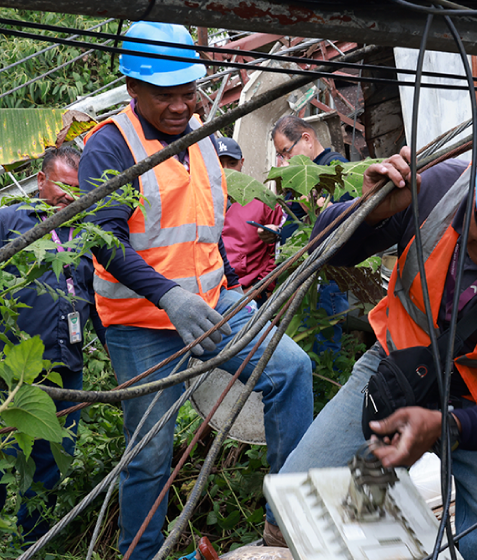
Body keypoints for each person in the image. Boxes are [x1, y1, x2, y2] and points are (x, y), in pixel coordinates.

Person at [265, 122, 477, 559]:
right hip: (395, 368)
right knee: (300, 494)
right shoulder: (432, 189)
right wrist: (369, 209)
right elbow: (327, 250)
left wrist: (448, 426)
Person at [76, 22, 312, 559]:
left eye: (188, 92)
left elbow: (208, 226)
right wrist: (168, 296)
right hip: (142, 323)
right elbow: (101, 240)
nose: (181, 106)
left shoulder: (204, 136)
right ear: (133, 89)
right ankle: (143, 554)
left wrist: (228, 284)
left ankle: (286, 524)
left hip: (211, 304)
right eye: (166, 96)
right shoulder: (111, 146)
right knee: (151, 452)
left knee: (290, 370)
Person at [0, 146, 105, 545]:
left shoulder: (88, 232)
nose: (69, 196)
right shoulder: (10, 221)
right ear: (40, 180)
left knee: (51, 461)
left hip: (66, 368)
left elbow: (98, 302)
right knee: (4, 456)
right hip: (13, 371)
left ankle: (32, 544)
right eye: (61, 185)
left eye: (77, 189)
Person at [269, 115, 350, 362]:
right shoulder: (298, 173)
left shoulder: (334, 166)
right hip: (303, 270)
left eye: (286, 152)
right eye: (280, 156)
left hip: (329, 271)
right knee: (302, 338)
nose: (284, 160)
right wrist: (275, 232)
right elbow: (294, 220)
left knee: (326, 337)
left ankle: (327, 392)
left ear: (306, 138)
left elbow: (344, 216)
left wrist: (308, 200)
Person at [218, 137, 284, 306]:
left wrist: (257, 289)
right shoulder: (197, 200)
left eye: (232, 163)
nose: (226, 171)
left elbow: (276, 253)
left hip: (250, 293)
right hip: (208, 294)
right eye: (219, 163)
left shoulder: (263, 201)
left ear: (242, 162)